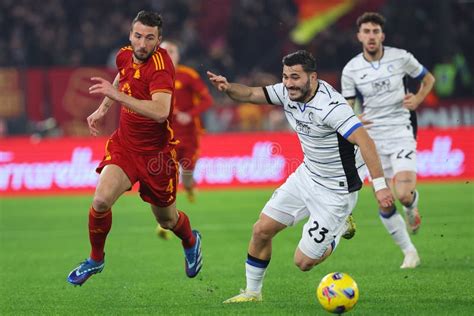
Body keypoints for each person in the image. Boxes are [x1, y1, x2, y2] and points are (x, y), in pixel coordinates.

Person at [207, 50, 394, 303]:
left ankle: (338, 230)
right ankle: (252, 293)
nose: (288, 83)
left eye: (295, 77)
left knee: (303, 262)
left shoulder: (332, 107)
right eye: (285, 76)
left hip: (335, 191)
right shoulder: (287, 93)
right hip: (306, 175)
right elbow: (251, 94)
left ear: (312, 77)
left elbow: (365, 141)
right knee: (261, 229)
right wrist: (228, 88)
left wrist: (380, 187)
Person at [66, 11, 203, 286]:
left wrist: (115, 96)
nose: (142, 43)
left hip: (157, 156)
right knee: (100, 201)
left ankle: (191, 240)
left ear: (158, 41)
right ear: (131, 35)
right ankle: (95, 259)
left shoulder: (162, 68)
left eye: (149, 38)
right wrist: (102, 109)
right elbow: (121, 78)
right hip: (126, 146)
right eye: (138, 36)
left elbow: (161, 112)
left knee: (167, 220)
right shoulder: (124, 55)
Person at [341, 12, 435, 269]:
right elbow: (346, 105)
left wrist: (417, 99)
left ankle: (411, 207)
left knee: (403, 194)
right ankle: (409, 252)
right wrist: (351, 118)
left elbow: (428, 79)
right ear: (359, 36)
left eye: (375, 31)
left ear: (382, 35)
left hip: (401, 131)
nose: (371, 36)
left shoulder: (401, 57)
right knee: (384, 199)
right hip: (371, 140)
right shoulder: (351, 69)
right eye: (366, 31)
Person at [155, 40, 213, 240]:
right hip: (165, 137)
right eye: (164, 51)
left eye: (172, 50)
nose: (168, 54)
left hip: (189, 137)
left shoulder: (188, 76)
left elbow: (207, 100)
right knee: (167, 180)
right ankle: (164, 224)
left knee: (186, 177)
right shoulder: (153, 78)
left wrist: (190, 114)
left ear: (178, 55)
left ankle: (189, 187)